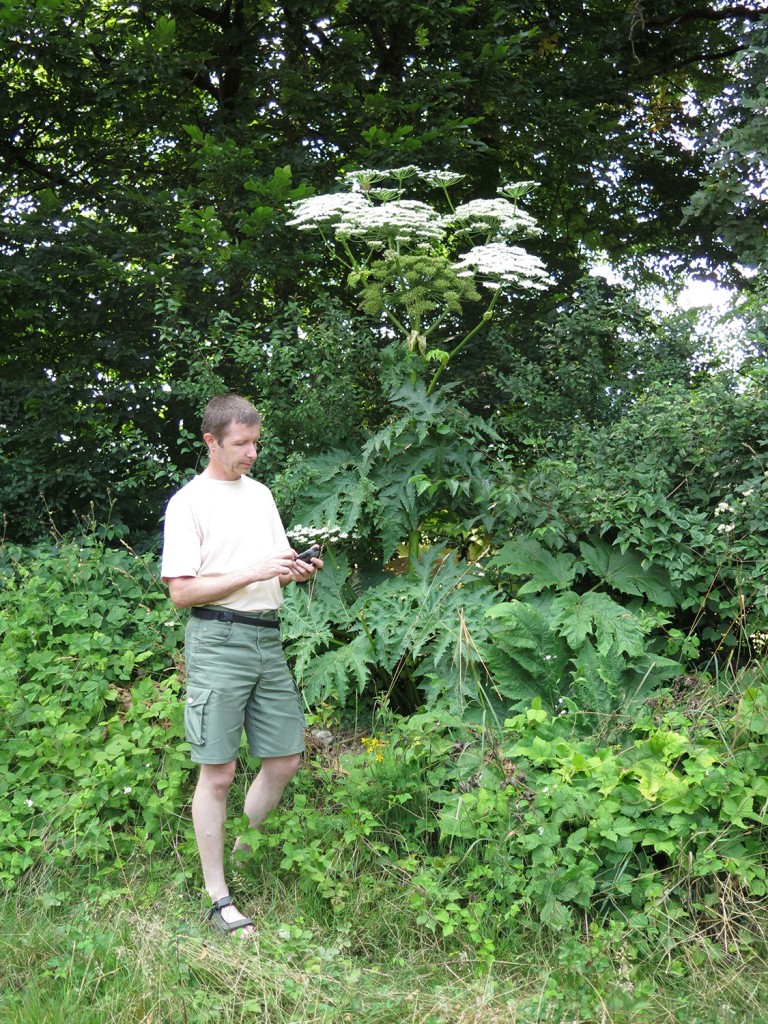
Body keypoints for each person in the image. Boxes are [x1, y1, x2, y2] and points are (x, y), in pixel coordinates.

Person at [161, 393, 321, 937]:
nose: (252, 452)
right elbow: (181, 592)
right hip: (218, 640)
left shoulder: (262, 495)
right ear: (211, 441)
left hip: (267, 640)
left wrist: (292, 570)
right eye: (241, 444)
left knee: (284, 758)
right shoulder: (189, 503)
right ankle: (217, 894)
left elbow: (269, 570)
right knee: (220, 772)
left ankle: (244, 852)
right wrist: (255, 569)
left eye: (256, 442)